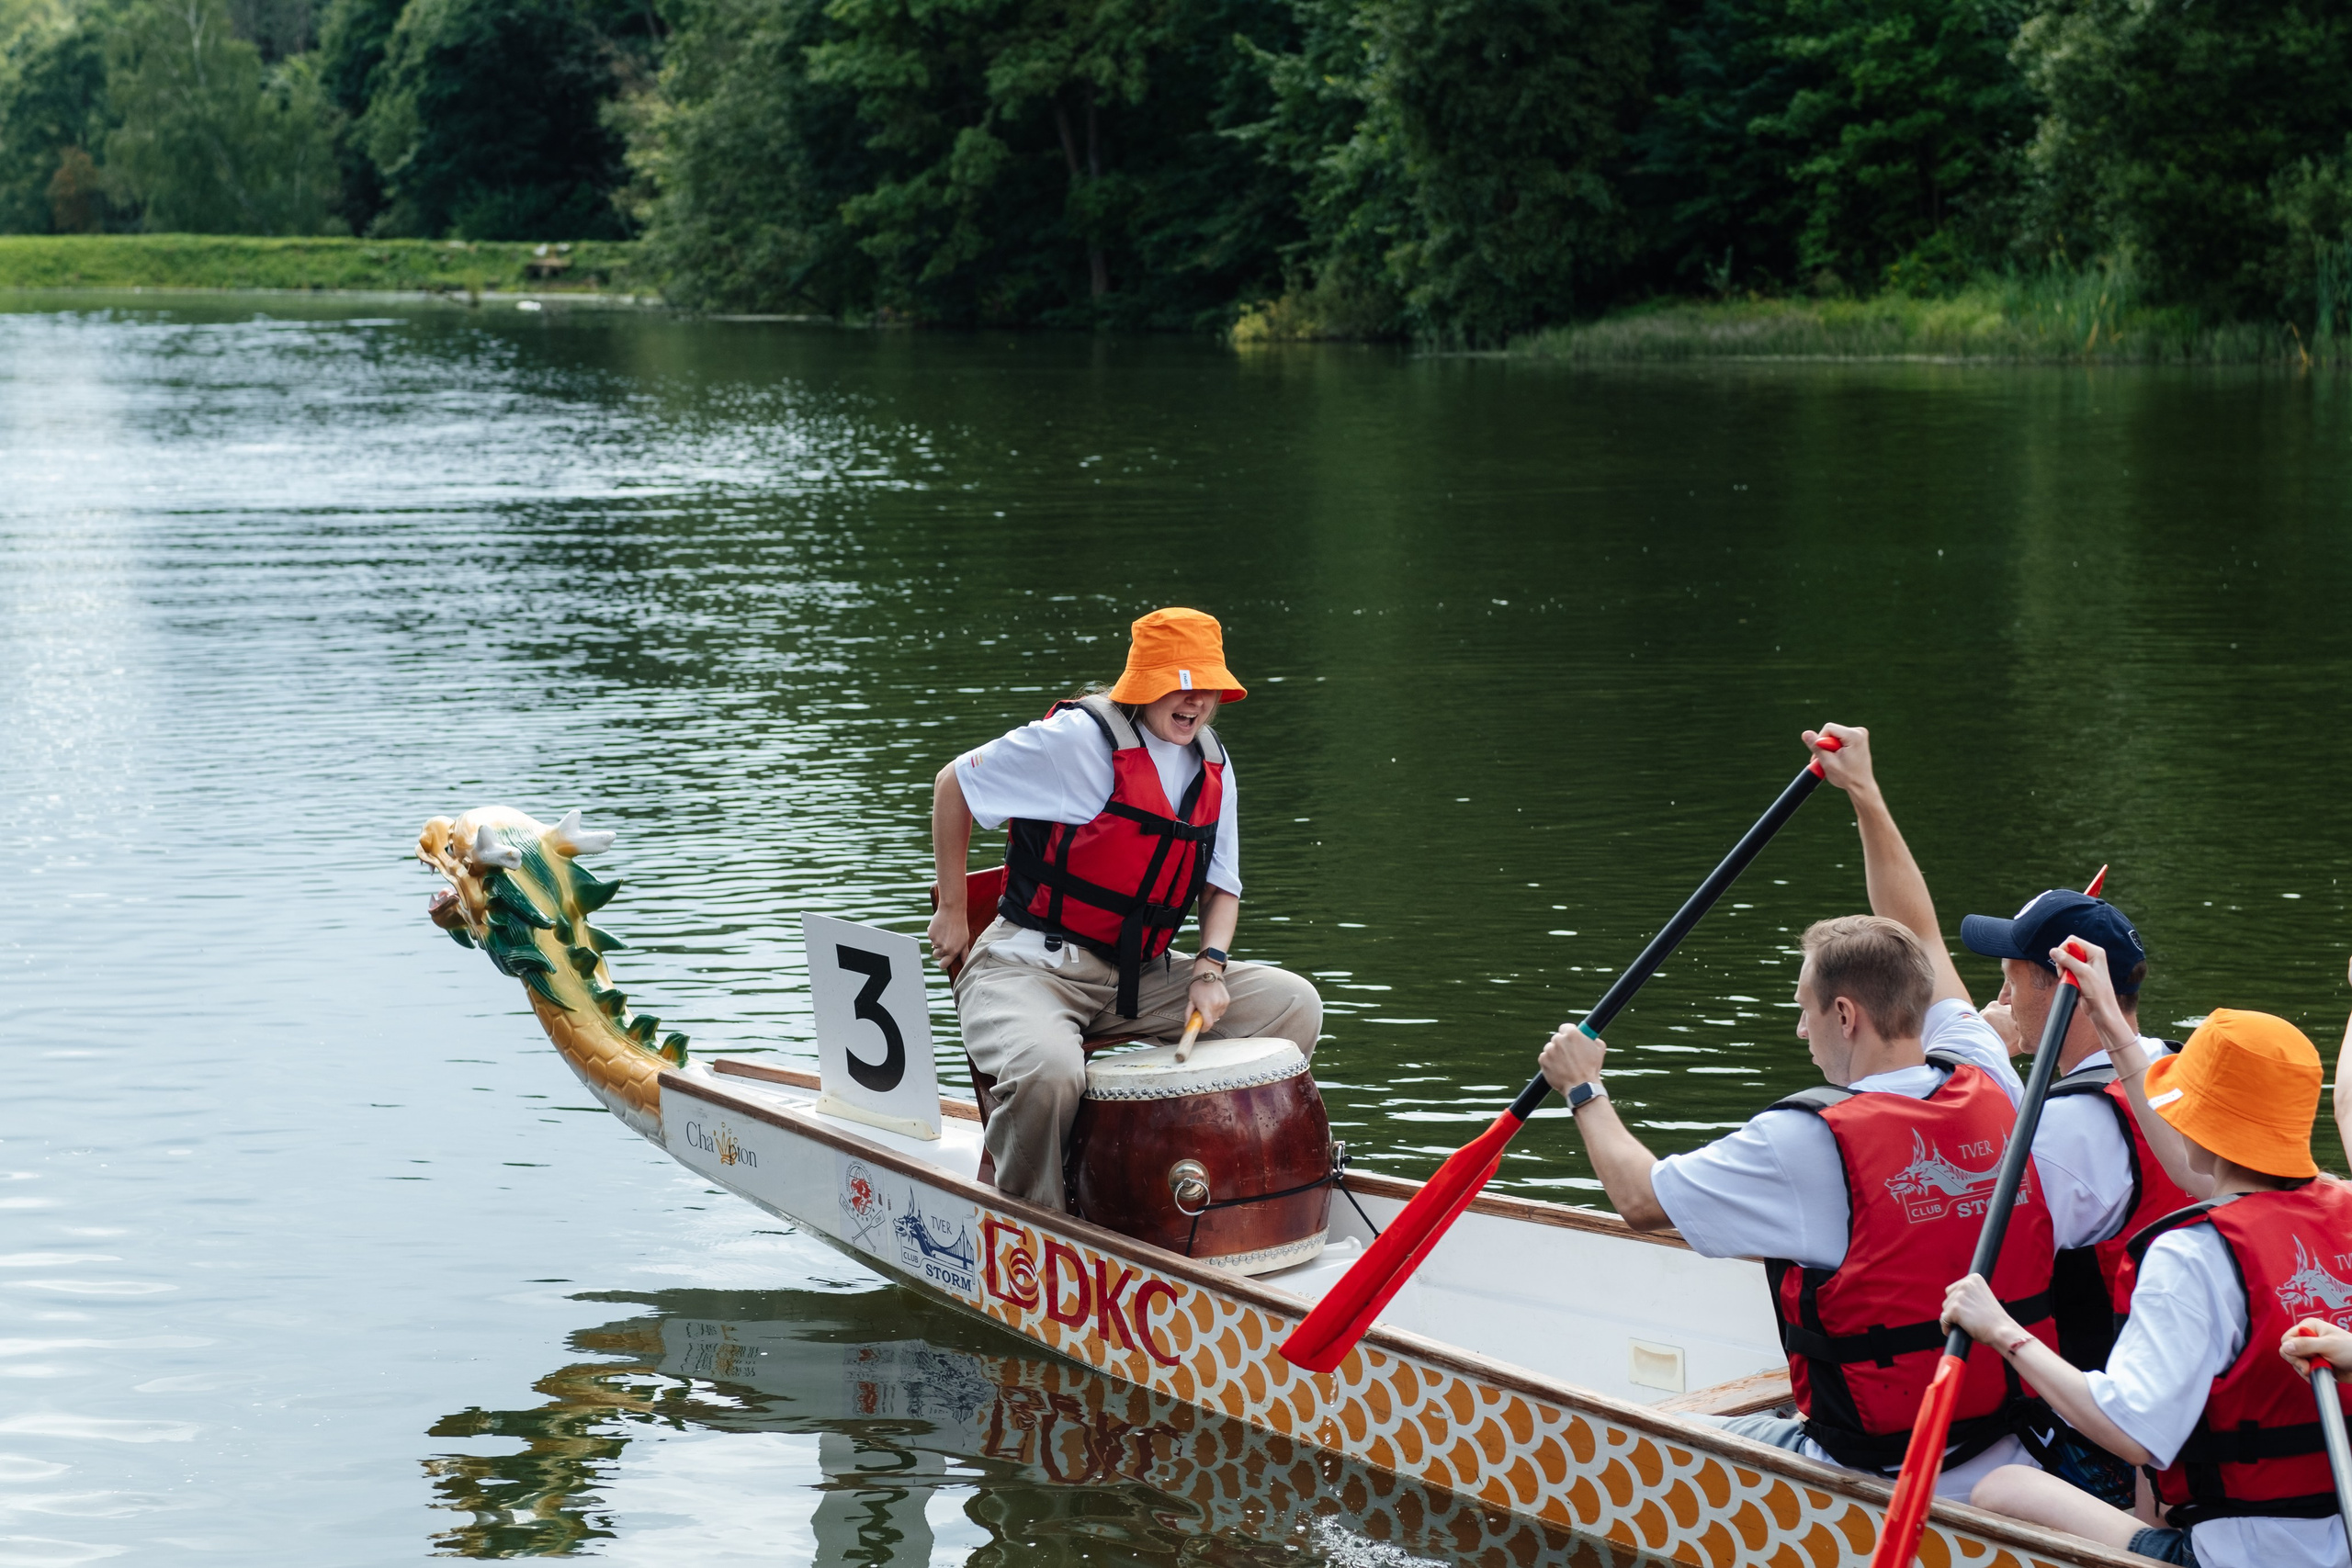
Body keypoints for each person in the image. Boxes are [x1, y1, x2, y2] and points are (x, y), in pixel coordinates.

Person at [1537, 730, 2067, 1499]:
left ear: (1845, 1015)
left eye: (1804, 1010)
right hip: (2009, 1430)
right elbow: (1916, 926)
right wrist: (1864, 791)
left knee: (1649, 1453)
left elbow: (1639, 1198)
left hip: (1879, 1469)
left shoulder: (1806, 1142)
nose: (1799, 1029)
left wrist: (1583, 1088)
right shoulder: (1987, 1071)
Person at [1943, 947, 2352, 1568]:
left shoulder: (2194, 1254)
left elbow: (2131, 1431)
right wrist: (2109, 1018)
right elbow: (2195, 1156)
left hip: (2243, 1555)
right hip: (2337, 1535)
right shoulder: (2341, 1204)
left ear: (2195, 1125)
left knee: (2000, 1487)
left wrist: (2000, 1328)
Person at [926, 607, 1322, 1211]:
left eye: (1206, 687)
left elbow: (1220, 887)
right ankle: (1032, 1216)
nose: (1195, 702)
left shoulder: (1213, 763)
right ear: (1144, 684)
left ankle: (1185, 1174)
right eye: (1179, 685)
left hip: (1138, 977)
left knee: (1293, 1009)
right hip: (1028, 966)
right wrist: (953, 909)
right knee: (1049, 1072)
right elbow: (953, 784)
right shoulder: (1078, 741)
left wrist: (1210, 968)